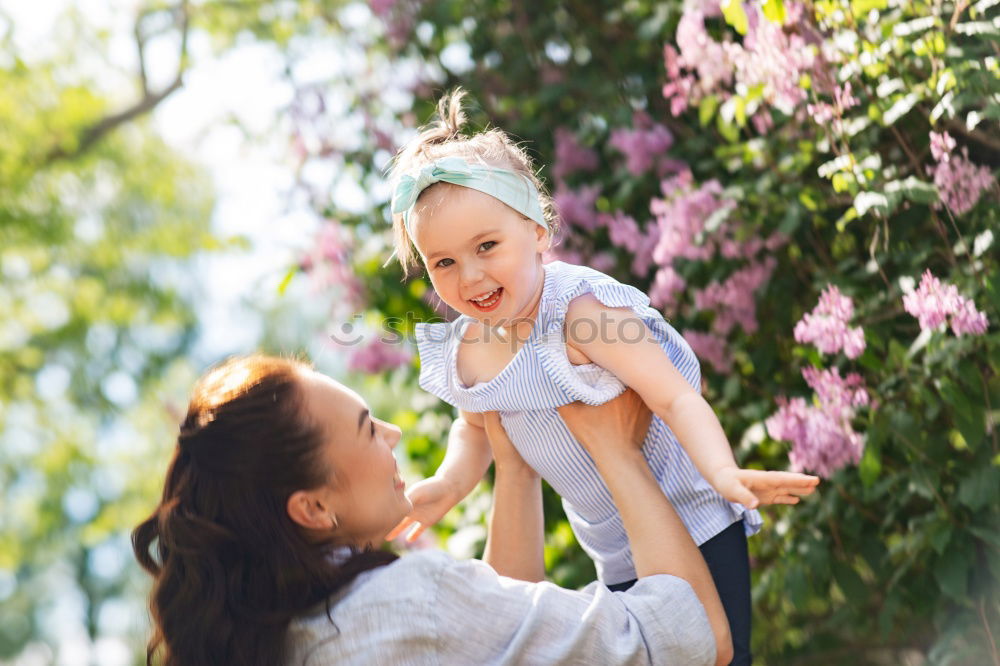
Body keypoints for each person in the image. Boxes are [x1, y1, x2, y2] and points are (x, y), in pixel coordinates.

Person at [383, 90, 820, 665]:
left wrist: (723, 470)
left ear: (538, 231)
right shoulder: (470, 348)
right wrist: (446, 484)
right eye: (443, 262)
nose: (470, 275)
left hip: (692, 520)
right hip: (611, 551)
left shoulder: (580, 314)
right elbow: (473, 430)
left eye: (487, 246)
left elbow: (675, 395)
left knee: (717, 657)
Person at [132, 354, 732, 665]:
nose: (391, 433)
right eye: (367, 429)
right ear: (313, 507)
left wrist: (515, 467)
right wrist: (615, 451)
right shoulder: (404, 599)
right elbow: (687, 642)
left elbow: (501, 639)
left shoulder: (280, 629)